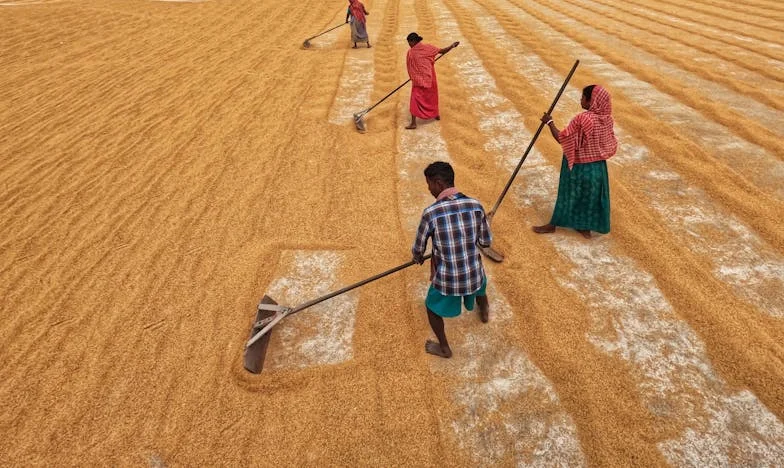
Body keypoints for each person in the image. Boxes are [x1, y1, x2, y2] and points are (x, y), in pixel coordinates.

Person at [412, 162, 492, 358]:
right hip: (474, 274)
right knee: (480, 280)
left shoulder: (431, 213)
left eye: (429, 184)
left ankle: (445, 348)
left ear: (438, 183)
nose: (429, 188)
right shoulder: (476, 205)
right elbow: (485, 241)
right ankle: (484, 308)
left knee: (431, 307)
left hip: (449, 280)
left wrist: (418, 257)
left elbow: (418, 249)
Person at [533, 85, 618, 238]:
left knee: (568, 194)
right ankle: (584, 228)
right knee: (589, 196)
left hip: (579, 166)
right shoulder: (608, 119)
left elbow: (562, 138)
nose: (580, 99)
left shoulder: (583, 119)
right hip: (598, 167)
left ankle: (553, 224)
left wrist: (549, 122)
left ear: (592, 101)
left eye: (583, 97)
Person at [405, 33, 459, 130]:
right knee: (432, 96)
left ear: (414, 41)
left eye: (409, 42)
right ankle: (435, 114)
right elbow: (442, 51)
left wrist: (412, 75)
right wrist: (451, 46)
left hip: (418, 79)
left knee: (415, 99)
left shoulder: (411, 52)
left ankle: (414, 123)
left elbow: (409, 65)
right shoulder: (427, 48)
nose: (409, 44)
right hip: (429, 77)